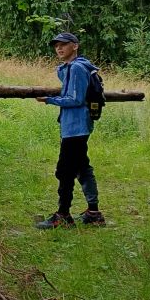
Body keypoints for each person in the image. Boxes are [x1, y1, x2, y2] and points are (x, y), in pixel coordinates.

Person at [35, 32, 106, 229]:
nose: (59, 48)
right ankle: (94, 213)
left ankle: (63, 215)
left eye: (64, 44)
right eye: (56, 45)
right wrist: (63, 67)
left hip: (75, 127)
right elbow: (65, 81)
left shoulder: (76, 68)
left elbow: (75, 99)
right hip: (76, 126)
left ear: (75, 46)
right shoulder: (73, 67)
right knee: (82, 167)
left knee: (65, 171)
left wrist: (49, 100)